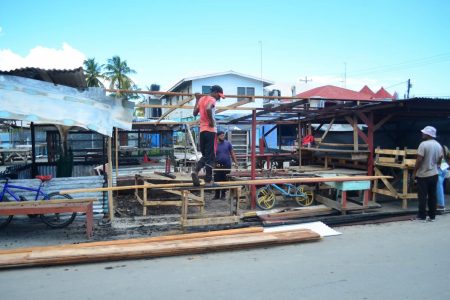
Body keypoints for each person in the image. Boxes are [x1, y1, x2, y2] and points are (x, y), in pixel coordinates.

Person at [191, 85, 225, 186]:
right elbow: (209, 108)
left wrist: (197, 100)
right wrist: (211, 121)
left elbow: (194, 113)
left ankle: (195, 171)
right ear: (215, 92)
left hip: (202, 131)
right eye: (219, 95)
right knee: (211, 156)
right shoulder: (212, 99)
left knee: (205, 155)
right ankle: (208, 180)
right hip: (210, 131)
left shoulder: (201, 99)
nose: (219, 98)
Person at [412, 126, 443, 222]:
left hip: (423, 175)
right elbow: (440, 158)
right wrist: (437, 165)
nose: (422, 134)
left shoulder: (423, 144)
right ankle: (432, 216)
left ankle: (422, 216)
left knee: (422, 196)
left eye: (424, 133)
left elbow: (419, 160)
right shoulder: (438, 145)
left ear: (428, 134)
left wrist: (414, 172)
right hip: (434, 174)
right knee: (432, 195)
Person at [214, 131, 238, 199]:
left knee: (225, 179)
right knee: (217, 179)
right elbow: (212, 154)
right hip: (217, 165)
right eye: (221, 135)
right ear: (217, 136)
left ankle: (223, 195)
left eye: (223, 135)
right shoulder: (214, 144)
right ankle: (217, 195)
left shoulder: (228, 143)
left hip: (227, 164)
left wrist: (236, 162)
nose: (223, 137)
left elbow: (232, 153)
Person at [436, 143, 449, 212]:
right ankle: (439, 204)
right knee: (439, 186)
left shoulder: (438, 147)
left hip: (440, 167)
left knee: (438, 186)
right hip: (444, 166)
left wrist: (438, 163)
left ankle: (441, 205)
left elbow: (440, 156)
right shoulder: (443, 146)